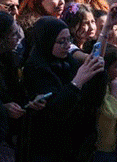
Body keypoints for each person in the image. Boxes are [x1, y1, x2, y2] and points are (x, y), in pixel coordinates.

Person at [21, 18, 106, 162]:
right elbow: (56, 110)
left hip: (76, 145)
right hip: (48, 146)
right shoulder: (36, 67)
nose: (67, 45)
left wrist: (97, 74)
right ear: (47, 40)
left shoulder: (70, 63)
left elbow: (93, 100)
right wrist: (76, 83)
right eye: (61, 41)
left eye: (69, 40)